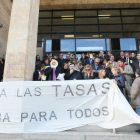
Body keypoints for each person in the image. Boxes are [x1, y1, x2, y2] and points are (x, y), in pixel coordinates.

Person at [131, 68, 140, 134]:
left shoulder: (137, 80)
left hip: (138, 101)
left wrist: (132, 98)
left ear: (136, 73)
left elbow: (135, 91)